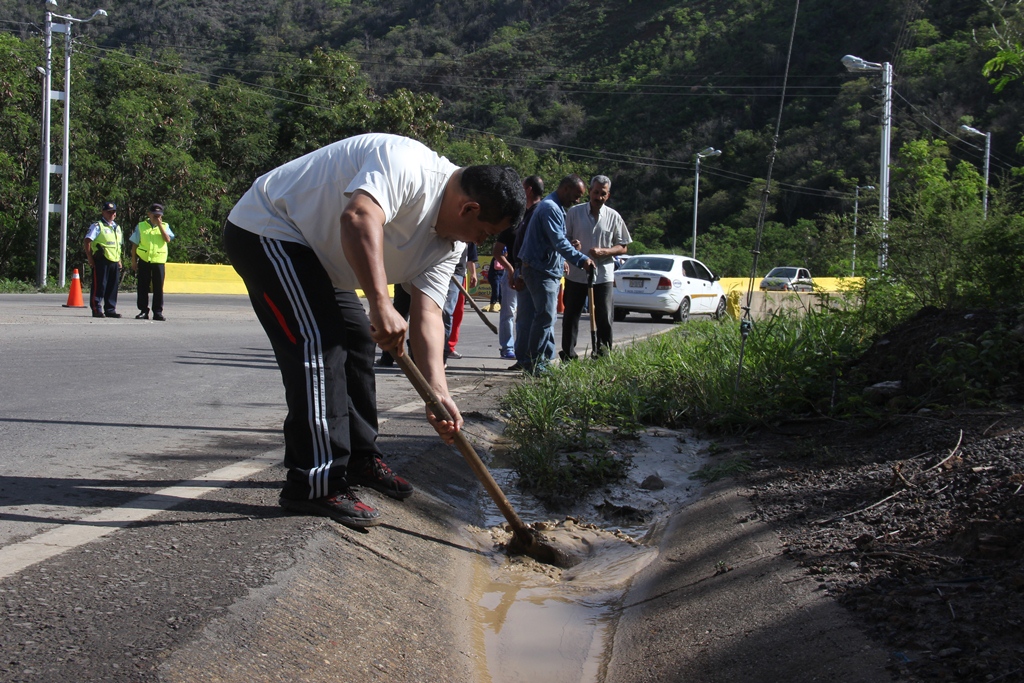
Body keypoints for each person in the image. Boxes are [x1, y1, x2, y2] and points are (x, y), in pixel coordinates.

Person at [222, 133, 524, 529]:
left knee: (357, 342)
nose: (479, 244)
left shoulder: (448, 244)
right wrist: (380, 303)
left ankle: (361, 459)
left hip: (322, 261)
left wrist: (439, 394)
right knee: (320, 344)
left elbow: (428, 313)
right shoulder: (409, 165)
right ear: (469, 208)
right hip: (271, 229)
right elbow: (359, 216)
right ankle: (314, 483)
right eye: (483, 234)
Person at [515, 175, 593, 375]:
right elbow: (559, 241)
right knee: (545, 318)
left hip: (542, 268)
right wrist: (581, 259)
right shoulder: (550, 208)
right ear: (565, 189)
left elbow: (554, 242)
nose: (577, 201)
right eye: (576, 196)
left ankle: (542, 361)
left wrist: (566, 256)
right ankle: (535, 364)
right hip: (540, 270)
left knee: (543, 317)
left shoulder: (553, 207)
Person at [561, 175, 631, 360]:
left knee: (605, 317)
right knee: (571, 316)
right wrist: (571, 245)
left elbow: (623, 246)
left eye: (603, 193)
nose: (598, 197)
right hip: (577, 274)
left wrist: (605, 251)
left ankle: (603, 355)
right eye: (596, 192)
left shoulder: (614, 216)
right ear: (590, 192)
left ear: (608, 195)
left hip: (603, 276)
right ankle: (568, 356)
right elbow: (562, 239)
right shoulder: (574, 213)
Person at [493, 175, 543, 366]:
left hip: (533, 272)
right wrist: (511, 270)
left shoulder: (540, 215)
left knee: (530, 314)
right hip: (514, 272)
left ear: (529, 190)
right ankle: (508, 348)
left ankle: (530, 354)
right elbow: (497, 252)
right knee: (509, 313)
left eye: (523, 188)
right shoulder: (515, 220)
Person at [130, 203, 175, 321]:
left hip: (159, 260)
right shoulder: (141, 226)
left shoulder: (165, 226)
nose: (156, 217)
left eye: (159, 215)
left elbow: (168, 239)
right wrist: (133, 260)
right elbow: (134, 244)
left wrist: (160, 226)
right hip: (144, 259)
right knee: (143, 286)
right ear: (149, 214)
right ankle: (143, 310)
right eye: (154, 215)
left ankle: (158, 312)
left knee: (158, 288)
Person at [84, 201, 124, 318]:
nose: (112, 214)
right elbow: (87, 241)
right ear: (103, 212)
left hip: (114, 260)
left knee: (112, 286)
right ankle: (96, 308)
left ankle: (110, 309)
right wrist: (90, 258)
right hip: (102, 259)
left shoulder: (117, 227)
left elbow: (118, 245)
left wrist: (119, 260)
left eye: (113, 212)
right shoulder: (97, 226)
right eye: (109, 212)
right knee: (100, 285)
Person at [443, 243, 478, 363]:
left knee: (457, 312)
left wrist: (473, 273)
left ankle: (450, 346)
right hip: (442, 270)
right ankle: (441, 348)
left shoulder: (471, 229)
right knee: (444, 311)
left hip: (459, 273)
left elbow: (471, 255)